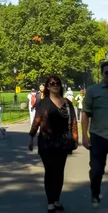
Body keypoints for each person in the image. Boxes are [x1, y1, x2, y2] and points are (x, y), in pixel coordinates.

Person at [28, 75, 78, 213]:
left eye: (57, 83)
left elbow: (73, 122)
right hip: (46, 142)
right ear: (48, 86)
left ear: (60, 85)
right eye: (52, 83)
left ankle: (56, 200)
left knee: (59, 172)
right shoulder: (43, 103)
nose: (55, 85)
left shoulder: (67, 103)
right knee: (50, 172)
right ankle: (50, 201)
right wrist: (31, 137)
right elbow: (36, 121)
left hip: (63, 142)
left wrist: (75, 139)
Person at [82, 61, 108, 208]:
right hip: (98, 136)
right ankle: (95, 194)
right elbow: (85, 113)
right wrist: (85, 136)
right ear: (102, 74)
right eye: (107, 73)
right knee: (97, 170)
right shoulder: (93, 90)